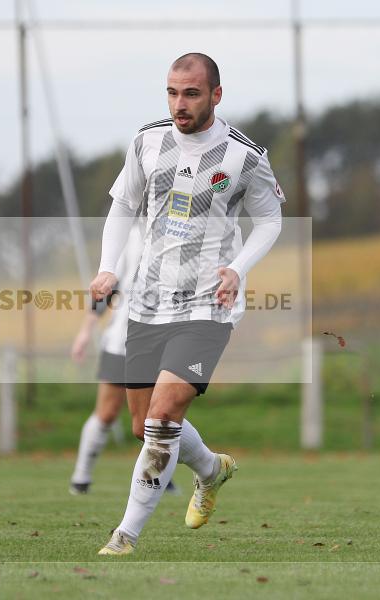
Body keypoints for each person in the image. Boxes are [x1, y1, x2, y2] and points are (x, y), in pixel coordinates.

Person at [90, 53, 285, 555]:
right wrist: (108, 266)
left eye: (191, 93)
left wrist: (237, 269)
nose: (180, 104)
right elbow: (123, 206)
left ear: (216, 94)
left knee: (163, 416)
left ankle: (125, 535)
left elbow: (269, 221)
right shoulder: (146, 141)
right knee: (143, 426)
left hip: (208, 305)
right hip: (147, 303)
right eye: (173, 93)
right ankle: (211, 468)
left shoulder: (245, 156)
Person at [68, 226, 179, 497]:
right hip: (124, 338)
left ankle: (158, 476)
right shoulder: (132, 232)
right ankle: (80, 478)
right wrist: (85, 332)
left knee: (161, 413)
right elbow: (107, 285)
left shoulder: (183, 228)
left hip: (167, 335)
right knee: (107, 413)